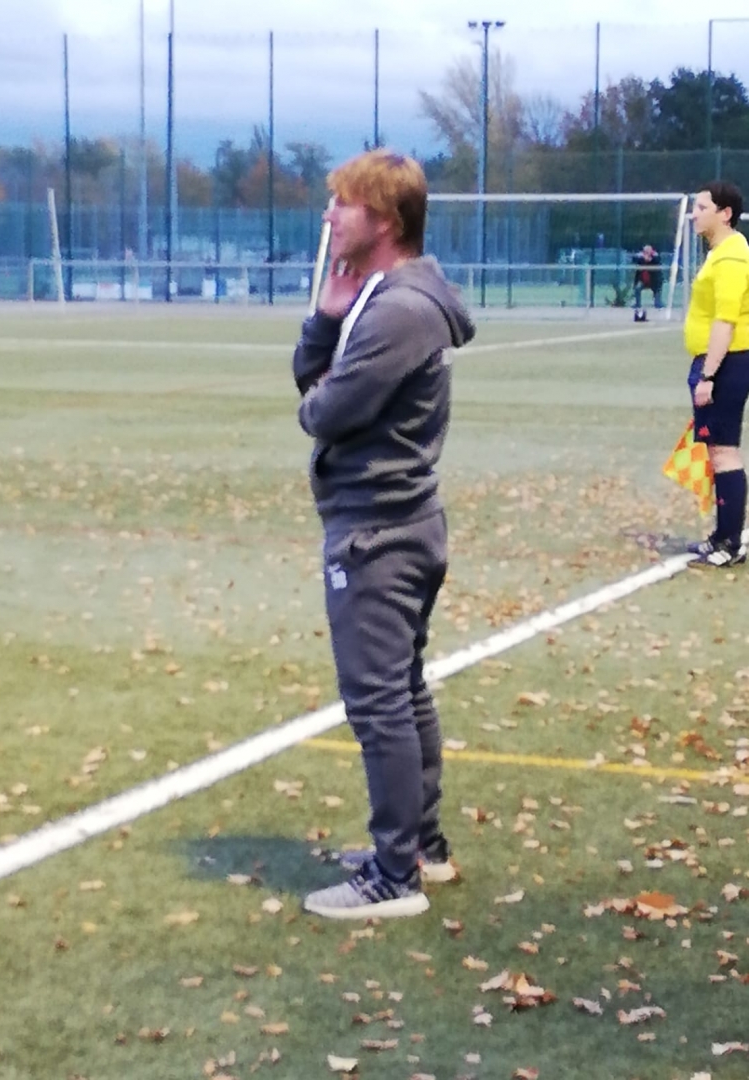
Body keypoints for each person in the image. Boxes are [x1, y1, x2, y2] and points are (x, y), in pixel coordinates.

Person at [292, 149, 475, 919]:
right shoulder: (383, 297)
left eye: (344, 203)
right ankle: (420, 848)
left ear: (386, 220)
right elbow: (314, 384)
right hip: (394, 522)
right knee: (400, 689)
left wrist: (321, 379)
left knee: (379, 703)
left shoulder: (399, 310)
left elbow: (322, 410)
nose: (330, 214)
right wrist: (326, 320)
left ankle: (395, 876)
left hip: (378, 530)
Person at [684, 180, 749, 568]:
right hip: (717, 362)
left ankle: (730, 542)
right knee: (716, 449)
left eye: (702, 207)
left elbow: (725, 320)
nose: (694, 214)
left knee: (724, 451)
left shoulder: (732, 257)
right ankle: (722, 535)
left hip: (727, 363)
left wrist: (708, 375)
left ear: (725, 214)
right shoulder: (719, 253)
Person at [632, 244, 663, 316]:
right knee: (637, 288)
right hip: (642, 280)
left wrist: (650, 259)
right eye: (645, 251)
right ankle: (637, 304)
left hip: (653, 280)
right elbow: (635, 259)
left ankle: (658, 304)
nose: (647, 252)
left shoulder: (655, 256)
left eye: (648, 251)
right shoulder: (641, 256)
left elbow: (657, 260)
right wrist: (644, 258)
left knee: (657, 289)